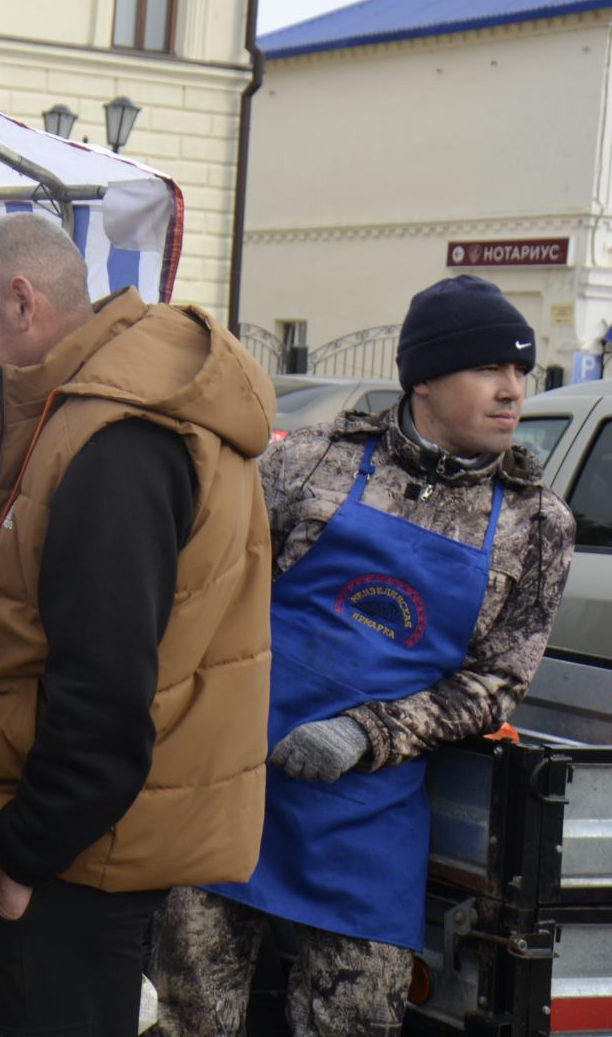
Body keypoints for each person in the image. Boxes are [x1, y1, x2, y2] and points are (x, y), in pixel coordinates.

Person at [153, 274, 574, 1037]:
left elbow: (496, 683)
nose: (513, 390)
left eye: (521, 370)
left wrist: (366, 733)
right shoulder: (308, 464)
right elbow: (210, 597)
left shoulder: (537, 523)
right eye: (489, 369)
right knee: (187, 1019)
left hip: (368, 821)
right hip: (234, 791)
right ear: (423, 379)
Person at [0, 212, 276, 1036]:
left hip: (78, 858)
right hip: (90, 846)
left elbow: (105, 686)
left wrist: (25, 858)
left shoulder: (119, 437)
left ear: (22, 300)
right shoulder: (98, 413)